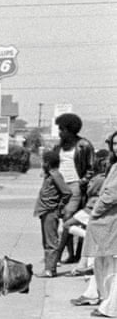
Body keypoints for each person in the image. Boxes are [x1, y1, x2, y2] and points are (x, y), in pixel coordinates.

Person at [52, 112, 95, 267]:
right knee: (61, 220)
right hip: (58, 186)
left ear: (71, 130)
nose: (60, 132)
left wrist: (81, 183)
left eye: (62, 129)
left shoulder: (84, 145)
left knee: (68, 218)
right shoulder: (59, 146)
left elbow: (91, 168)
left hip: (75, 186)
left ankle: (55, 257)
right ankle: (70, 254)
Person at [81, 160, 117, 318]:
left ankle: (110, 306)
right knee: (104, 264)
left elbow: (111, 194)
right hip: (108, 220)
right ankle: (107, 303)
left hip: (109, 220)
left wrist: (96, 211)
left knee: (111, 267)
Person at [35, 148, 70, 277]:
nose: (42, 164)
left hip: (51, 211)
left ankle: (50, 269)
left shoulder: (55, 175)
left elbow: (67, 192)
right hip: (45, 211)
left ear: (48, 163)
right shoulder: (49, 174)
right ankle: (49, 268)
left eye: (43, 162)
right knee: (46, 241)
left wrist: (59, 206)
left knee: (51, 242)